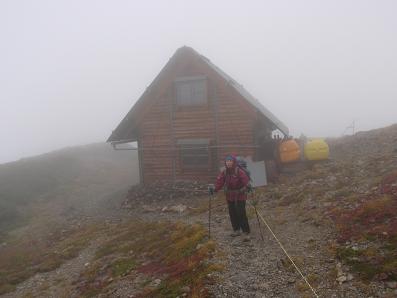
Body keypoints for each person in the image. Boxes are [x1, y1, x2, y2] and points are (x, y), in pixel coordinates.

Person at [209, 154, 251, 241]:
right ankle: (236, 230)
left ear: (233, 162)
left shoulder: (239, 171)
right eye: (227, 161)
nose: (228, 162)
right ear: (225, 162)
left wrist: (248, 186)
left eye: (230, 161)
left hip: (240, 195)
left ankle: (246, 231)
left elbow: (245, 181)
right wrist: (214, 189)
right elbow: (219, 182)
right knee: (232, 213)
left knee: (241, 213)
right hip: (230, 196)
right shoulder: (224, 172)